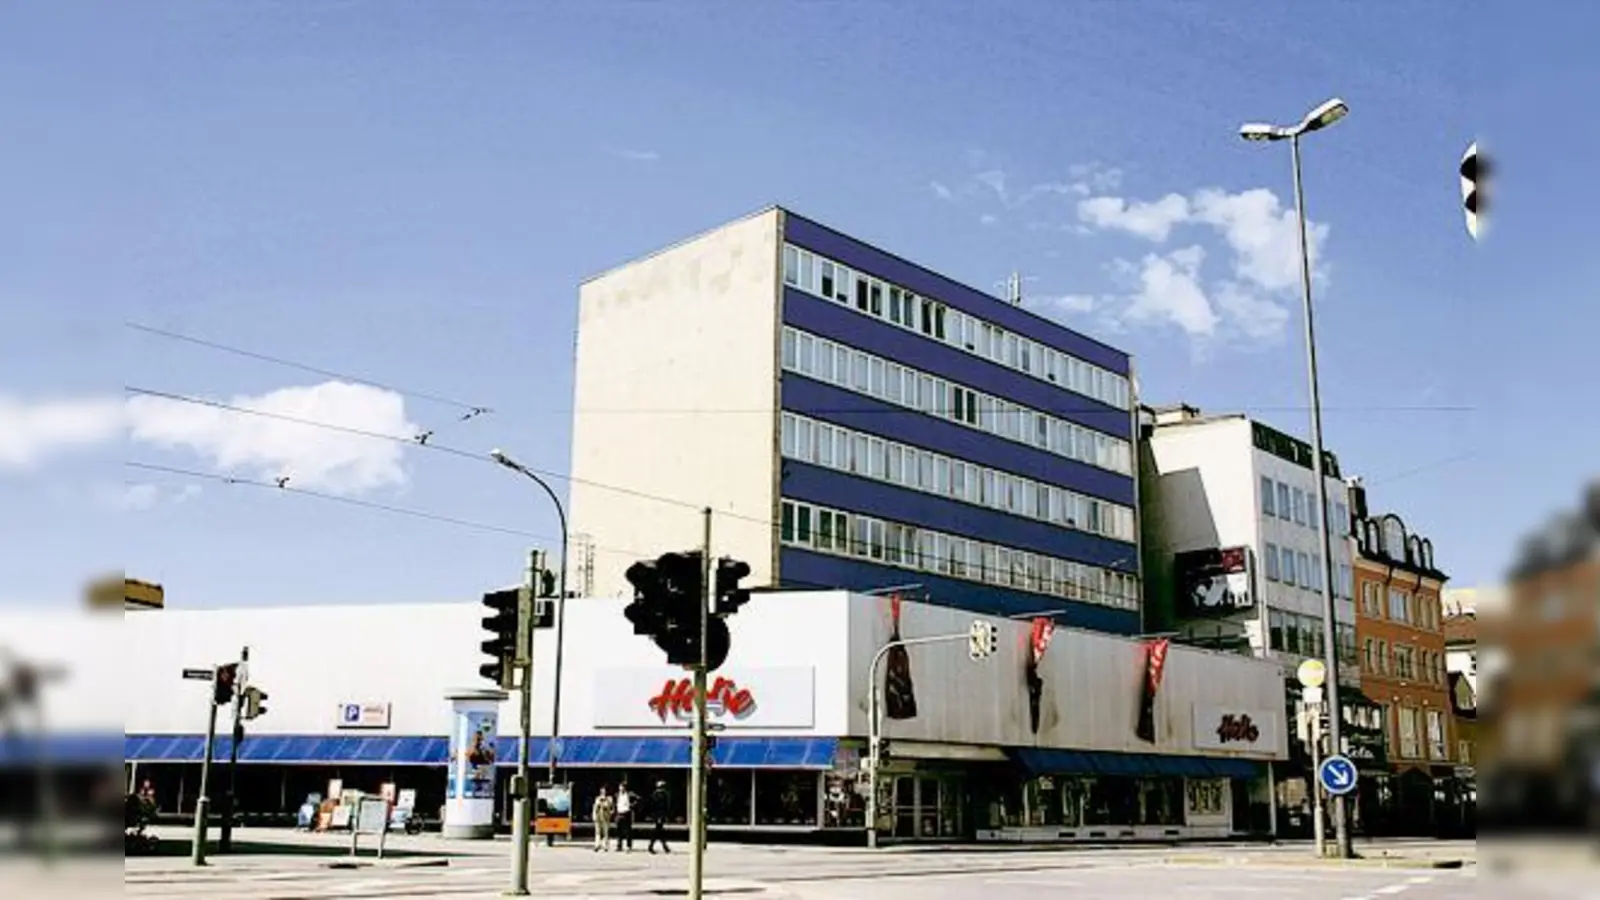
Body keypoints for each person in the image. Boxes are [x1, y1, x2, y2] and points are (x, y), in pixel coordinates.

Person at [647, 780, 671, 854]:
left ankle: (664, 847)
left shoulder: (655, 794)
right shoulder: (661, 795)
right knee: (658, 831)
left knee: (659, 831)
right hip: (659, 815)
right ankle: (652, 846)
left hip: (658, 815)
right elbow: (664, 806)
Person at [591, 786, 614, 852]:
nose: (603, 792)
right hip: (598, 817)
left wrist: (609, 812)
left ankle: (605, 846)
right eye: (602, 791)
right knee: (597, 832)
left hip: (606, 818)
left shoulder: (609, 799)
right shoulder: (597, 798)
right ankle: (597, 845)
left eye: (604, 791)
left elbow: (611, 808)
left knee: (605, 832)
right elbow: (595, 808)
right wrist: (594, 816)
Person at [614, 780, 634, 852]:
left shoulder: (629, 794)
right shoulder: (617, 794)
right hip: (619, 813)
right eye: (620, 787)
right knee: (619, 831)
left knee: (628, 831)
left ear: (625, 788)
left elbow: (638, 799)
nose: (621, 788)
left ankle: (629, 846)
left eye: (622, 787)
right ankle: (619, 846)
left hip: (626, 813)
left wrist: (631, 805)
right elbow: (615, 803)